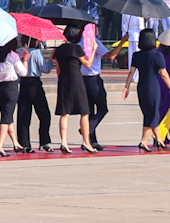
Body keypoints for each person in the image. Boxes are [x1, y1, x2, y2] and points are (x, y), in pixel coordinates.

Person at [122, 28, 170, 153]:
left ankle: (159, 139)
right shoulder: (157, 55)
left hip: (142, 87)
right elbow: (164, 74)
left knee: (149, 112)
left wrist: (126, 87)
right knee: (153, 113)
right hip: (153, 86)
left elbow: (131, 72)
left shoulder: (136, 55)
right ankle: (143, 141)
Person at [52, 25, 93, 154]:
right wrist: (93, 50)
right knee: (84, 112)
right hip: (76, 80)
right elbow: (87, 64)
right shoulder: (76, 48)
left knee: (65, 113)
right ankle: (86, 141)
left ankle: (64, 141)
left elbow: (58, 69)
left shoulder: (59, 50)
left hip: (63, 80)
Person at [16, 36, 52, 153]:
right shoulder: (36, 52)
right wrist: (51, 60)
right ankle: (44, 141)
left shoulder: (19, 53)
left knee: (23, 116)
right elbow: (45, 68)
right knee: (44, 114)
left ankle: (24, 143)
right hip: (34, 83)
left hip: (23, 84)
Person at [0, 38, 23, 157]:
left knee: (7, 115)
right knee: (6, 118)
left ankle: (15, 142)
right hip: (10, 88)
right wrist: (25, 60)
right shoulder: (12, 55)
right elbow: (23, 72)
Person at [79, 23, 110, 150]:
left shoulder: (79, 43)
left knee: (89, 111)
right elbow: (111, 56)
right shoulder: (94, 42)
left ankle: (92, 141)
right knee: (103, 108)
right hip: (93, 79)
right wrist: (122, 42)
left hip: (82, 79)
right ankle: (88, 129)